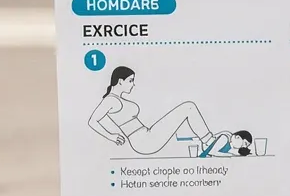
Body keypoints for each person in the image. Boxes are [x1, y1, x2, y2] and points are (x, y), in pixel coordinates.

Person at [87, 67, 236, 156]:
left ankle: (209, 142)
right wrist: (111, 137)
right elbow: (92, 121)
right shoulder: (111, 100)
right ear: (120, 81)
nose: (133, 84)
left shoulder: (117, 99)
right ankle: (209, 143)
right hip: (144, 141)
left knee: (187, 111)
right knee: (188, 107)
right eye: (130, 80)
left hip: (146, 136)